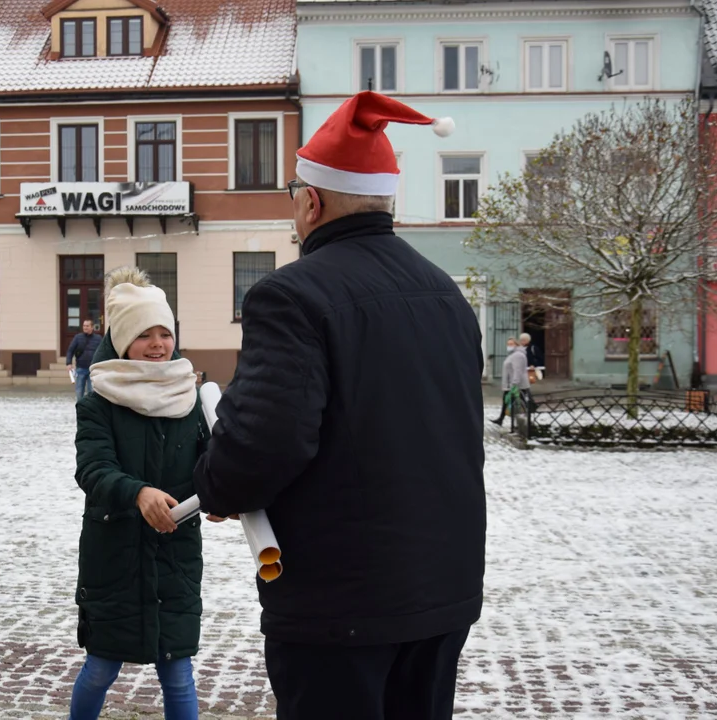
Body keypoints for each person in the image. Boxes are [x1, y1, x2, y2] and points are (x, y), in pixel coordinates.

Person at [192, 92, 485, 720]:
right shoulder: (447, 294)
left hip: (342, 600)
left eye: (293, 193)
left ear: (311, 200)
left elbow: (264, 441)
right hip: (442, 589)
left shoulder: (289, 296)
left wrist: (218, 485)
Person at [69, 267, 206, 720]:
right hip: (115, 557)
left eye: (165, 333)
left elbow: (210, 465)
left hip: (175, 556)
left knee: (178, 673)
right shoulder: (98, 403)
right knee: (100, 668)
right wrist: (138, 493)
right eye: (145, 334)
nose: (158, 344)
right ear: (123, 338)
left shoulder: (192, 399)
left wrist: (220, 495)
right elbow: (93, 469)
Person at [492, 337, 531, 428]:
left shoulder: (517, 355)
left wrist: (515, 383)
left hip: (517, 385)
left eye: (511, 344)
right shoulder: (512, 354)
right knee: (507, 402)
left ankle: (520, 423)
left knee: (519, 404)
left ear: (516, 344)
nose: (509, 346)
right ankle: (501, 419)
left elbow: (517, 370)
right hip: (510, 384)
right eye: (508, 344)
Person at [67, 319, 102, 402]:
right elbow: (70, 350)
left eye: (87, 326)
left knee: (92, 392)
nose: (85, 327)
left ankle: (90, 410)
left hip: (93, 370)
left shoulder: (98, 338)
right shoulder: (78, 337)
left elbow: (102, 352)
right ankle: (80, 408)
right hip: (80, 368)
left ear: (92, 327)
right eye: (84, 326)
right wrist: (68, 363)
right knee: (79, 392)